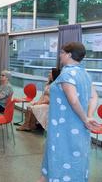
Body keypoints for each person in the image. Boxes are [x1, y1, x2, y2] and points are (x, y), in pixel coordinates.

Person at [38, 42, 100, 182]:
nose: (60, 55)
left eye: (62, 52)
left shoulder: (66, 74)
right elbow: (94, 96)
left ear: (69, 55)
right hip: (80, 129)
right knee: (74, 163)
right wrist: (88, 116)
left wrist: (86, 119)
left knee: (60, 164)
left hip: (64, 130)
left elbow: (73, 100)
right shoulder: (84, 73)